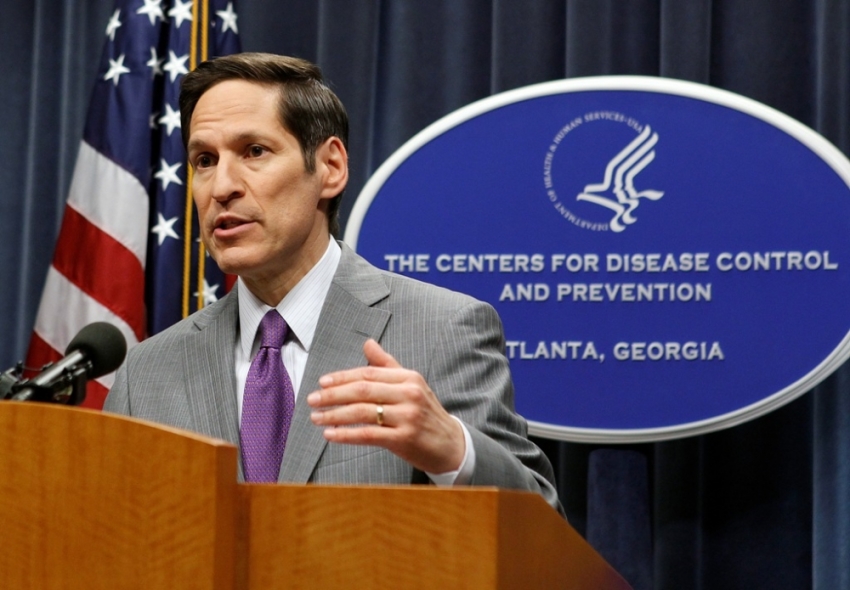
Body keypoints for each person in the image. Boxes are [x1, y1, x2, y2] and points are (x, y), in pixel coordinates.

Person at [104, 52, 563, 514]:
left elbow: (542, 527)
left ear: (330, 167)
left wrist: (451, 450)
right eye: (204, 160)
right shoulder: (147, 373)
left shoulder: (442, 329)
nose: (222, 186)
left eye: (254, 152)